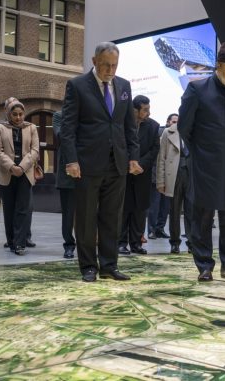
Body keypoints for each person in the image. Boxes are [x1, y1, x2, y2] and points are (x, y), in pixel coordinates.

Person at [60, 42, 141, 283]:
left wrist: (133, 157)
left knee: (112, 217)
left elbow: (129, 126)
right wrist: (71, 160)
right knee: (86, 218)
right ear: (94, 61)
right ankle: (88, 266)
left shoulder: (124, 86)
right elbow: (68, 128)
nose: (110, 70)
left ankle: (109, 265)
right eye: (106, 65)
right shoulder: (77, 85)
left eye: (114, 65)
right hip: (87, 164)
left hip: (117, 163)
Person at [177, 42, 225, 282]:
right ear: (218, 66)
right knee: (203, 217)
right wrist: (200, 152)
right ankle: (204, 265)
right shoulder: (197, 89)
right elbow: (184, 127)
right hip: (204, 165)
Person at [0, 100, 39, 256]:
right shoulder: (1, 128)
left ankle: (20, 243)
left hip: (25, 173)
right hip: (7, 172)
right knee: (9, 209)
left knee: (23, 209)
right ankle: (11, 241)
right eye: (15, 114)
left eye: (21, 114)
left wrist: (22, 167)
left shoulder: (31, 128)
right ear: (9, 114)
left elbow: (35, 150)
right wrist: (12, 167)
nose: (18, 117)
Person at [119, 95, 160, 255]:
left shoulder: (153, 126)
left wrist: (139, 164)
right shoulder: (122, 123)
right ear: (135, 110)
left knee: (140, 210)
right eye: (145, 110)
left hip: (143, 174)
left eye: (149, 109)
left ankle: (136, 243)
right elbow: (119, 145)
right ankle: (121, 243)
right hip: (124, 173)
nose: (148, 113)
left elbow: (154, 149)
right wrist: (129, 163)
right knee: (123, 209)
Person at [157, 113, 192, 254]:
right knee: (174, 210)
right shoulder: (168, 132)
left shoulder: (195, 130)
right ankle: (175, 242)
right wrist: (161, 181)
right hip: (174, 174)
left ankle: (192, 242)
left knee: (192, 211)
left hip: (191, 173)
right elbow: (161, 157)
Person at [52, 110, 76, 259]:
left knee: (89, 213)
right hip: (67, 172)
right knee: (68, 214)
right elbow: (61, 136)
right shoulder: (59, 116)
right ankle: (69, 245)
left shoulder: (88, 114)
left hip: (88, 171)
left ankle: (87, 244)